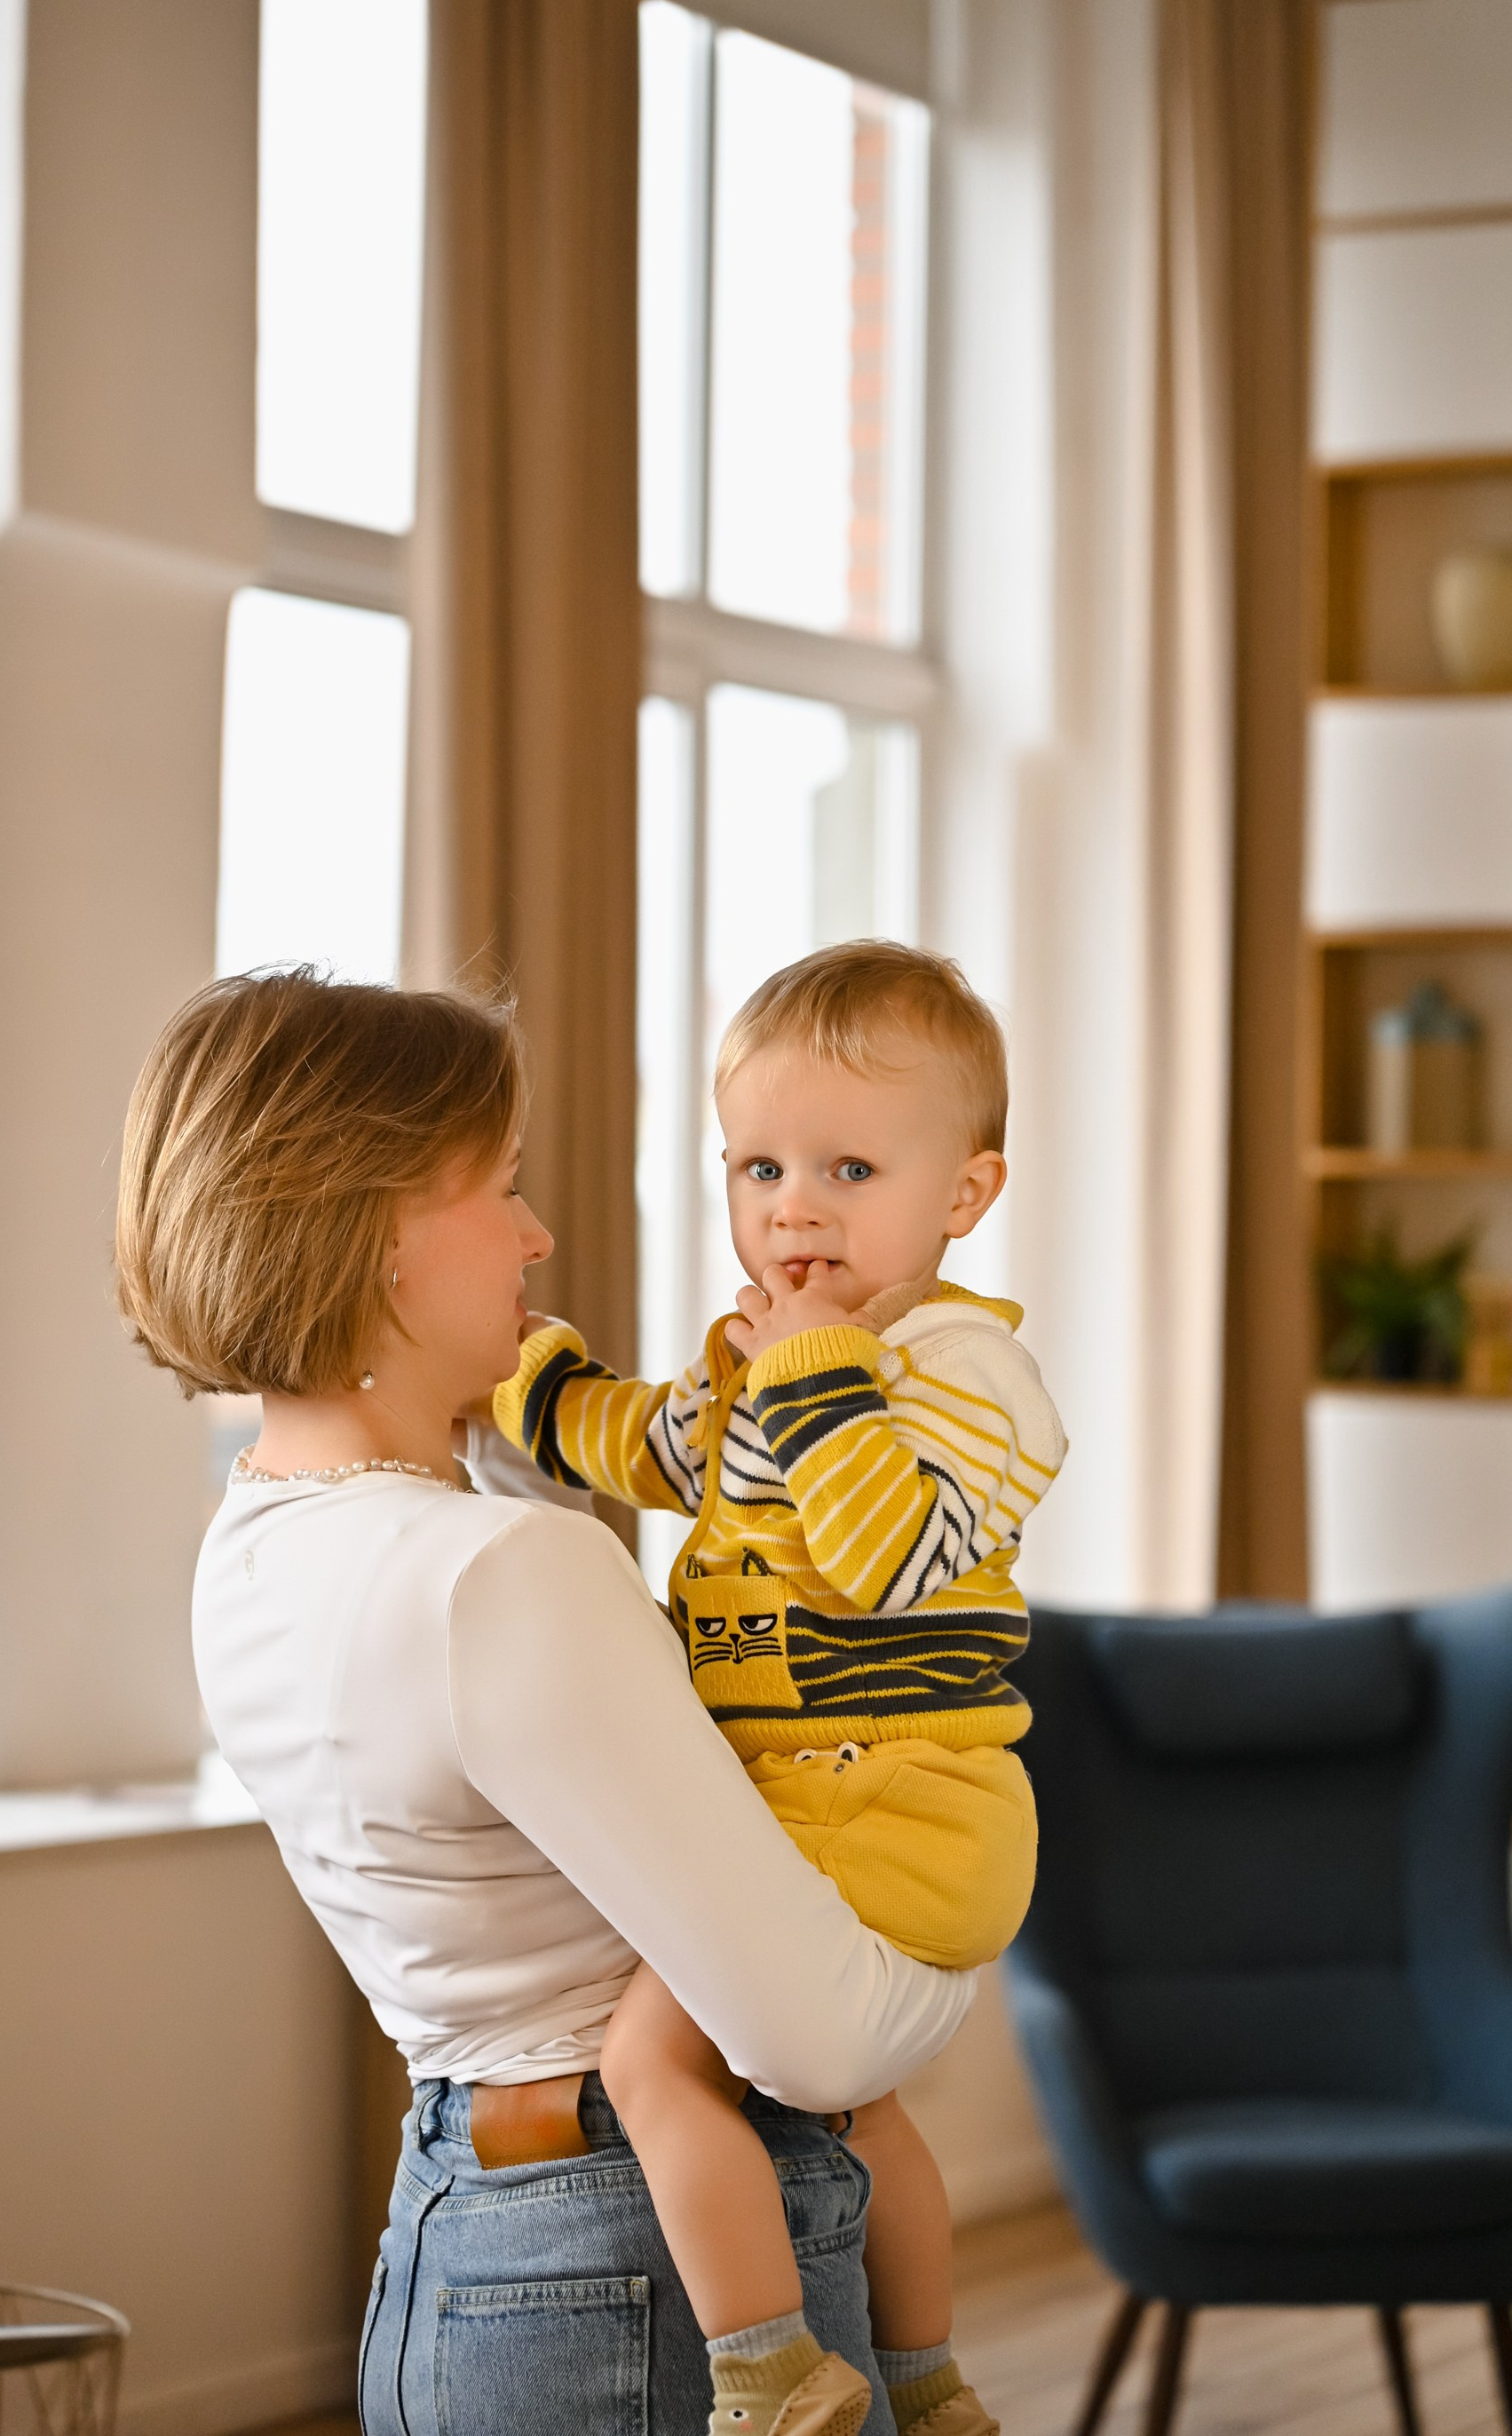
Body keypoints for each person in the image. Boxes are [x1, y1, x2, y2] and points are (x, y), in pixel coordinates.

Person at [114, 968, 975, 2436]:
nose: (537, 1235)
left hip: (461, 2238)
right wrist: (958, 1927)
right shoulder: (504, 1572)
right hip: (643, 2271)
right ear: (377, 1229)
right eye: (500, 1189)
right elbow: (820, 2043)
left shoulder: (257, 1540)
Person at [492, 943, 1066, 2436]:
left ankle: (767, 2367)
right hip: (827, 1811)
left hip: (892, 1803)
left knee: (646, 2064)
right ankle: (930, 2383)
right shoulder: (770, 1364)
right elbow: (647, 1447)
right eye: (757, 1166)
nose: (792, 1207)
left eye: (850, 1167)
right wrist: (519, 1374)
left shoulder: (962, 1371)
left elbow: (885, 1560)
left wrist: (813, 1369)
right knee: (859, 2120)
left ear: (966, 1195)